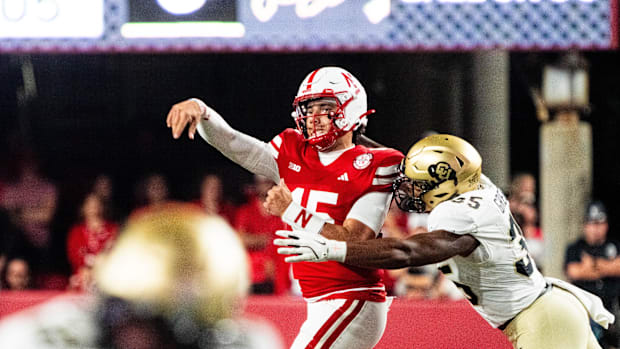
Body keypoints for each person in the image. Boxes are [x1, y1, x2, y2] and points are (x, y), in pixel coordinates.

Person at [275, 134, 615, 349]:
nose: (408, 189)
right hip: (550, 309)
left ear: (443, 186)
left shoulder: (457, 216)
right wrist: (359, 140)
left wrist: (335, 248)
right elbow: (428, 165)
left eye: (417, 185)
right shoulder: (477, 182)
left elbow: (405, 250)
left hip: (540, 321)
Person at [167, 66, 404, 349]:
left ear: (352, 108)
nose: (314, 117)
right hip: (318, 300)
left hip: (353, 297)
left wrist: (293, 212)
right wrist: (203, 110)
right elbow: (234, 143)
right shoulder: (293, 148)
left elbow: (357, 240)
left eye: (325, 107)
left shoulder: (374, 163)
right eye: (309, 107)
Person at [0, 203, 284, 349]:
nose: (135, 332)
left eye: (161, 319)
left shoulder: (243, 341)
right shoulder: (54, 336)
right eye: (127, 307)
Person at [565, 201, 620, 347]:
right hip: (585, 312)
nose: (596, 228)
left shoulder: (614, 245)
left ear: (606, 225)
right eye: (592, 224)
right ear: (585, 225)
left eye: (599, 223)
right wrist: (608, 266)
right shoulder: (575, 248)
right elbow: (574, 272)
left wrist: (592, 265)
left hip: (612, 308)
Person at [234, 175, 288, 295]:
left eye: (268, 182)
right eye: (261, 183)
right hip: (254, 275)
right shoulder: (246, 211)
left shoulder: (282, 212)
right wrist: (265, 240)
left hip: (279, 274)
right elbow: (240, 240)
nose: (265, 186)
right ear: (256, 185)